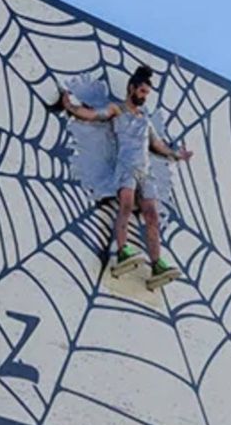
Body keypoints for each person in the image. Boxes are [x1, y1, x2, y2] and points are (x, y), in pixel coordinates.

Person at [54, 65, 193, 283]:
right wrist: (70, 106)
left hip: (145, 173)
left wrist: (176, 154)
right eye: (142, 92)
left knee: (152, 215)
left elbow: (157, 145)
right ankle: (122, 251)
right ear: (131, 88)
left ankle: (157, 264)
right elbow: (93, 115)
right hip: (126, 168)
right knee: (126, 206)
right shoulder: (117, 110)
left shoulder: (145, 121)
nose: (144, 97)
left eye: (147, 93)